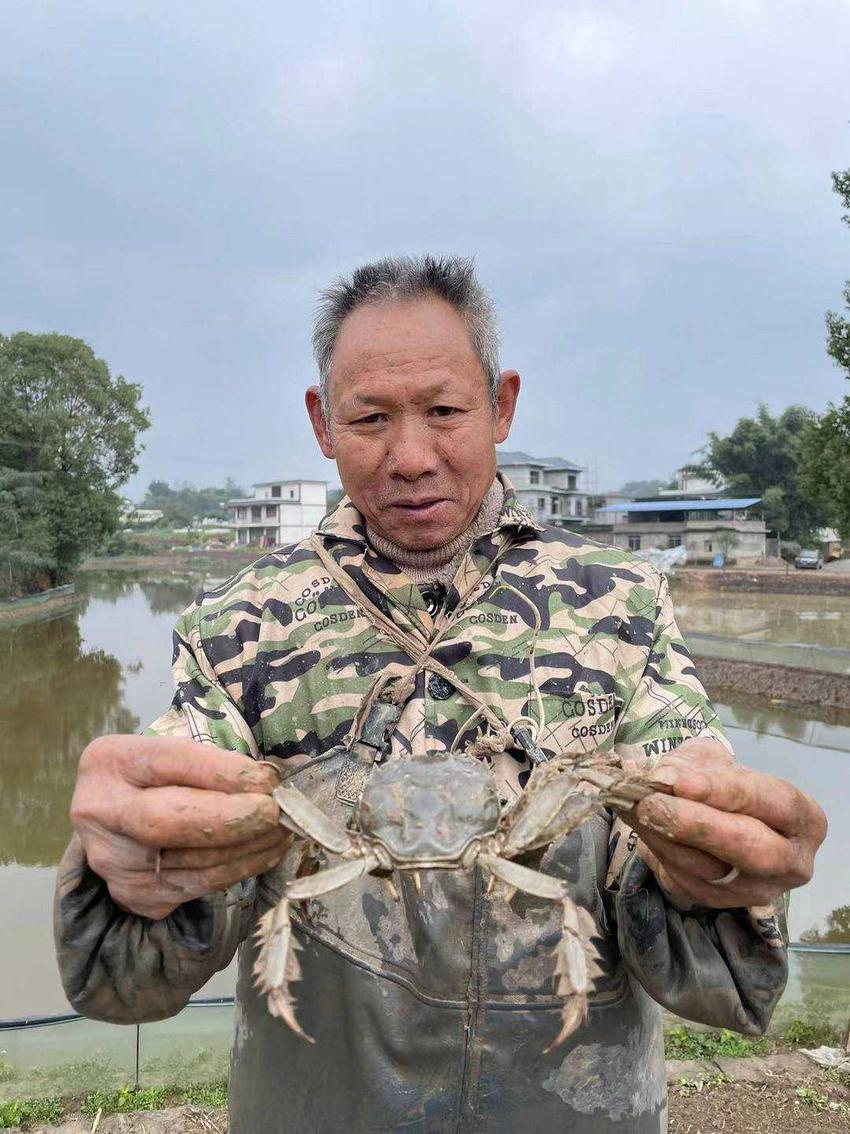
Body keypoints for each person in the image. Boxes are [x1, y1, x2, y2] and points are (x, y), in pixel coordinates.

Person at [55, 256, 826, 1133]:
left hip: (579, 1111)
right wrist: (129, 866)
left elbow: (693, 918)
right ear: (321, 420)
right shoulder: (240, 626)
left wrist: (721, 867)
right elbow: (146, 950)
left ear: (502, 405)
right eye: (370, 418)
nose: (412, 457)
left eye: (448, 412)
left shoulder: (620, 603)